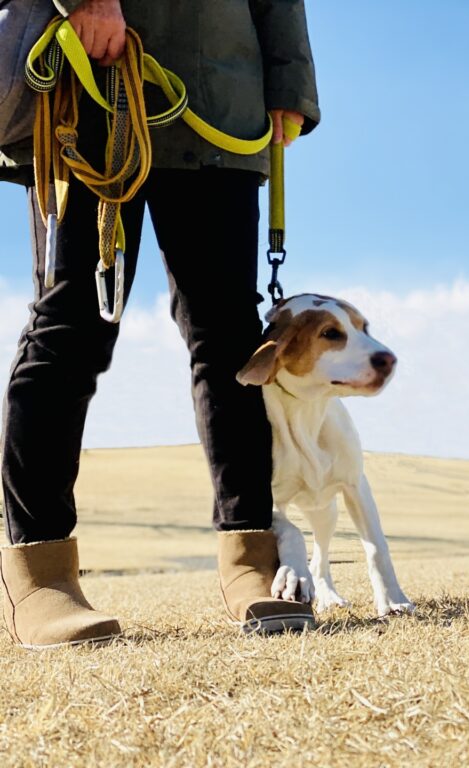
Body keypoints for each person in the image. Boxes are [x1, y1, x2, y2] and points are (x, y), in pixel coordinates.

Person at [0, 0, 320, 647]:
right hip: (85, 89)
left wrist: (289, 81)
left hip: (221, 96)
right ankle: (41, 574)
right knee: (71, 328)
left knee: (232, 337)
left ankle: (251, 557)